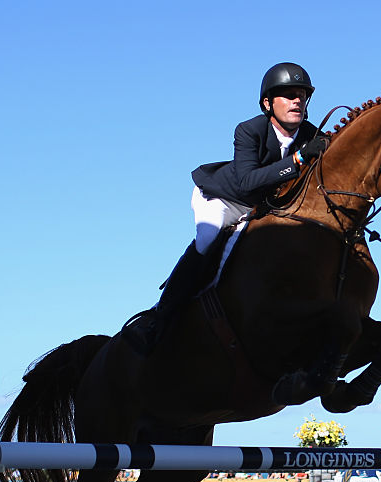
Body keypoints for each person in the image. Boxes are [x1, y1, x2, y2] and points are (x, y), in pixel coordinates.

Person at [125, 62, 327, 354]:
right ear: (268, 103)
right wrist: (296, 161)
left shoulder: (310, 135)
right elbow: (247, 181)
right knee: (209, 237)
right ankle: (160, 317)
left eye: (301, 95)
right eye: (287, 94)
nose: (297, 100)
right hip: (224, 198)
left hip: (264, 206)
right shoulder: (249, 130)